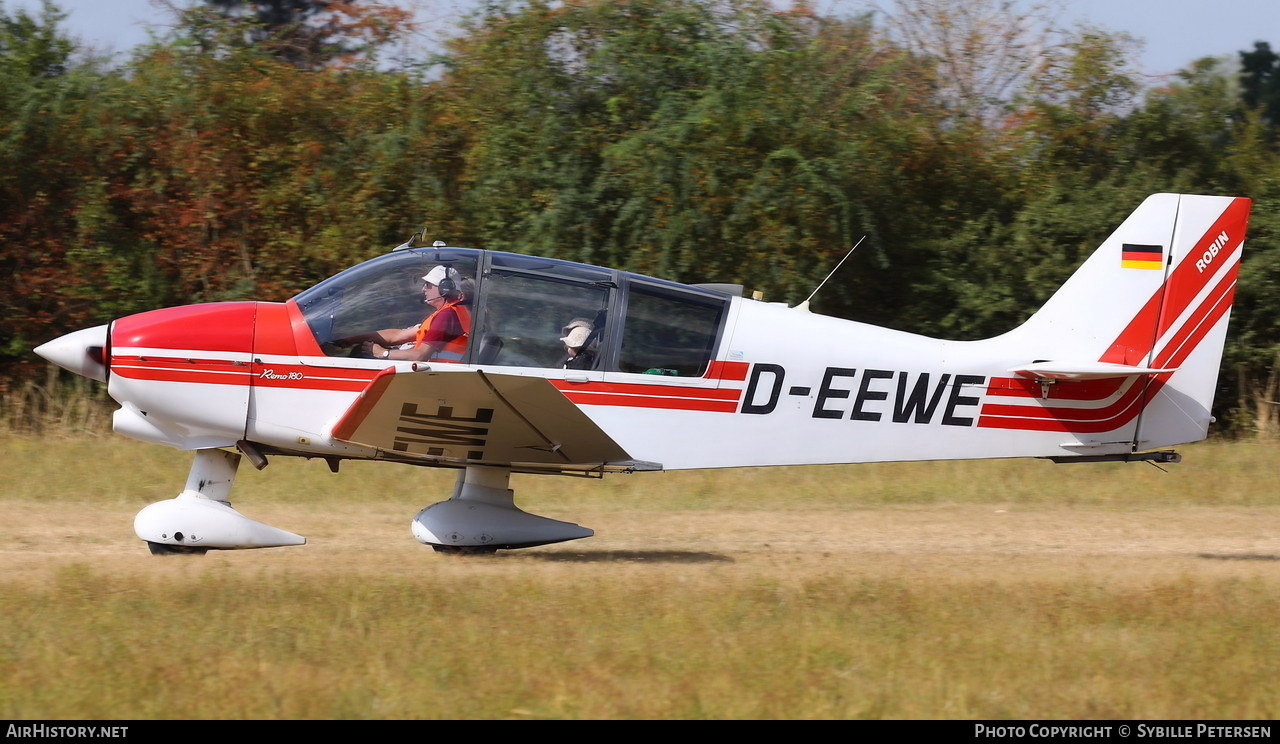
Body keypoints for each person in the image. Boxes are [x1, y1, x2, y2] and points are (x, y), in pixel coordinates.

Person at [344, 265, 471, 362]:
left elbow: (420, 355)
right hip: (435, 374)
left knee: (360, 355)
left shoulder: (447, 316)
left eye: (428, 284)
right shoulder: (451, 312)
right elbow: (397, 336)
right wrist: (352, 339)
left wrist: (382, 353)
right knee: (359, 349)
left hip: (435, 378)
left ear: (444, 288)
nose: (424, 289)